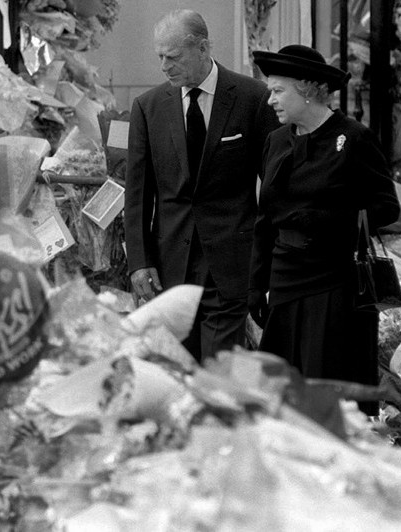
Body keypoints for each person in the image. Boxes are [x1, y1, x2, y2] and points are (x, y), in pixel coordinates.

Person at [124, 10, 279, 362]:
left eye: (173, 56)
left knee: (219, 370)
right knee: (176, 369)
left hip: (232, 262)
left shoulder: (253, 98)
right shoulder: (148, 108)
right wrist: (139, 261)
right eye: (159, 56)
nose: (164, 66)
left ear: (203, 48)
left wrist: (268, 259)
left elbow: (273, 186)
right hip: (170, 265)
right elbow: (137, 194)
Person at [248, 45, 400, 392]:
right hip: (285, 281)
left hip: (334, 284)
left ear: (307, 89)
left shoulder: (354, 138)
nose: (270, 100)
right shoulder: (276, 141)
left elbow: (387, 206)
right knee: (282, 392)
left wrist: (328, 219)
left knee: (328, 389)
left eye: (277, 91)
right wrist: (255, 285)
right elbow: (265, 219)